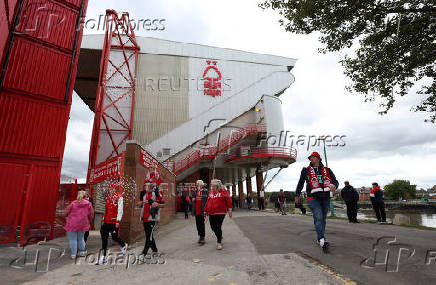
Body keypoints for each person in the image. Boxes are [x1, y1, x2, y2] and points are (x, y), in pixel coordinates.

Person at [295, 152, 338, 253]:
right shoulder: (306, 171)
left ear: (319, 159)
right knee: (319, 217)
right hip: (312, 198)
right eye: (310, 158)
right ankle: (322, 240)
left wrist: (334, 185)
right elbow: (300, 183)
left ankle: (320, 237)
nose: (311, 159)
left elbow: (335, 181)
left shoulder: (327, 170)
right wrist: (297, 195)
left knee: (322, 219)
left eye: (313, 157)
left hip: (325, 197)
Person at [97, 182, 128, 264]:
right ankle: (103, 256)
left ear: (115, 189)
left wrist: (118, 221)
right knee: (104, 238)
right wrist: (103, 219)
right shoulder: (108, 197)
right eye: (110, 189)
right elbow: (106, 209)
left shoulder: (119, 197)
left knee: (114, 237)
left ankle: (124, 245)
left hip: (114, 221)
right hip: (106, 221)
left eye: (112, 189)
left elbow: (120, 210)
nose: (111, 190)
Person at [139, 179, 165, 259]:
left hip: (152, 218)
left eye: (147, 185)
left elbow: (163, 204)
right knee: (149, 235)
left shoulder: (156, 194)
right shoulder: (143, 195)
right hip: (145, 218)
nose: (146, 187)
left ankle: (144, 253)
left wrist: (157, 204)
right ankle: (155, 250)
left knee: (148, 236)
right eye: (145, 185)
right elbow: (142, 205)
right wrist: (139, 204)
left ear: (151, 187)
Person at [204, 179, 232, 250]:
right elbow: (208, 201)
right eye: (212, 186)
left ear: (217, 186)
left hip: (220, 212)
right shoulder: (211, 192)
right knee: (213, 227)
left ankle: (219, 242)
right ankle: (220, 236)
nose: (212, 187)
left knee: (218, 226)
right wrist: (205, 211)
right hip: (211, 212)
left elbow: (228, 200)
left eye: (213, 186)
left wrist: (230, 210)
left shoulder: (223, 191)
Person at [64, 191, 94, 259]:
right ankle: (82, 252)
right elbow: (91, 214)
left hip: (72, 223)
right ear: (85, 196)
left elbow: (66, 211)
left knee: (73, 239)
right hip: (83, 223)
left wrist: (66, 216)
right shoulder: (89, 204)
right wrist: (89, 220)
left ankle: (73, 254)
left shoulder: (73, 203)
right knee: (81, 238)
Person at [192, 180, 209, 245]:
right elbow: (193, 200)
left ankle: (202, 237)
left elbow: (208, 200)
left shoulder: (206, 191)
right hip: (196, 210)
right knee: (197, 224)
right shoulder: (195, 191)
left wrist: (207, 210)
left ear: (201, 185)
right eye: (196, 184)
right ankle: (200, 235)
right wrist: (196, 194)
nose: (196, 185)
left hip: (203, 210)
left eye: (197, 184)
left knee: (202, 224)